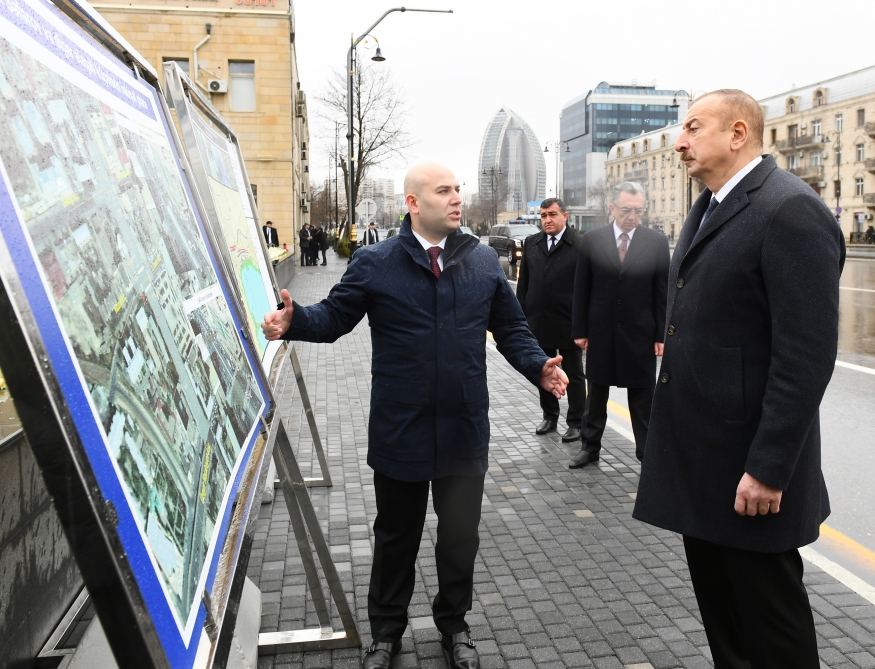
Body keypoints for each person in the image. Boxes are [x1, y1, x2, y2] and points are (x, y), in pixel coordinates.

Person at [262, 163, 568, 669]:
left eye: (457, 190)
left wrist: (538, 367)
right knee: (395, 536)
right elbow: (335, 318)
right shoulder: (375, 262)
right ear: (412, 203)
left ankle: (454, 626)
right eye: (443, 191)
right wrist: (296, 320)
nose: (455, 199)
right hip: (400, 427)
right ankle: (386, 633)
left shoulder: (482, 262)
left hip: (463, 430)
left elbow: (512, 330)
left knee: (460, 537)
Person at [633, 90, 845, 668]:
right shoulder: (708, 206)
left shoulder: (788, 209)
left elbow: (805, 358)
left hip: (752, 473)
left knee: (771, 629)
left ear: (738, 133)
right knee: (726, 624)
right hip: (705, 465)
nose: (680, 141)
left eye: (693, 127)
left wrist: (769, 467)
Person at [569, 182, 669, 467]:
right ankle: (590, 448)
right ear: (612, 208)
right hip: (601, 332)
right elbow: (581, 289)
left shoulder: (656, 242)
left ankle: (646, 455)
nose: (632, 217)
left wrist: (661, 334)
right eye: (626, 210)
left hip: (641, 333)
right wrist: (579, 330)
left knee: (642, 400)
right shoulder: (592, 241)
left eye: (638, 211)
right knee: (597, 394)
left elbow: (662, 292)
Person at [516, 197, 586, 442]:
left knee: (574, 373)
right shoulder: (532, 243)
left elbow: (589, 287)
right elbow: (523, 284)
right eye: (544, 215)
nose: (547, 220)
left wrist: (585, 324)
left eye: (552, 214)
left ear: (564, 215)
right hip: (538, 321)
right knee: (543, 369)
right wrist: (520, 318)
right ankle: (549, 416)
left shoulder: (579, 244)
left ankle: (576, 422)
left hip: (569, 321)